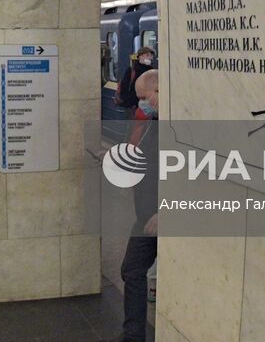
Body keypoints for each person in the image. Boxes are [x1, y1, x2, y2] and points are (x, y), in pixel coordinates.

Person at [119, 69, 160, 342]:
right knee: (131, 270)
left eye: (145, 98)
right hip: (145, 216)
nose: (143, 104)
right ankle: (133, 337)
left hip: (162, 217)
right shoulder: (154, 123)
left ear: (159, 92)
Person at [115, 46, 156, 113]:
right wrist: (131, 103)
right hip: (133, 106)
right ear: (140, 56)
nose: (150, 58)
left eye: (151, 56)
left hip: (147, 104)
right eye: (147, 55)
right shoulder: (132, 70)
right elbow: (124, 87)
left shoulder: (151, 70)